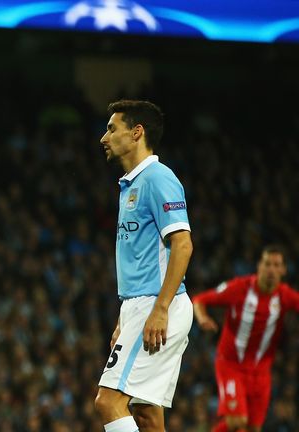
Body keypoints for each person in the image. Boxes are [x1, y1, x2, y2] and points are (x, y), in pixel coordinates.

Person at [94, 100, 194, 432]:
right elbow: (142, 260)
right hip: (142, 305)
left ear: (137, 132)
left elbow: (182, 244)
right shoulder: (132, 184)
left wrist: (159, 308)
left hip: (157, 303)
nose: (103, 138)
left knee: (108, 402)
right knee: (147, 416)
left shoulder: (158, 178)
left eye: (111, 128)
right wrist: (126, 319)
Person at [192, 246, 299, 432]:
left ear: (283, 270)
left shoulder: (284, 296)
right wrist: (202, 318)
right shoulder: (239, 288)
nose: (271, 269)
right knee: (237, 422)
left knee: (253, 428)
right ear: (259, 266)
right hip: (231, 365)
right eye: (267, 264)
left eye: (276, 265)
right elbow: (200, 299)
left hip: (261, 371)